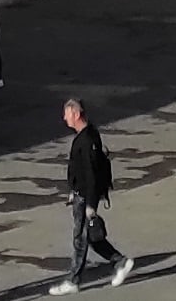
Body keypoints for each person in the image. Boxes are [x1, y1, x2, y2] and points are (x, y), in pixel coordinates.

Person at [50, 98, 131, 292]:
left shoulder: (86, 141)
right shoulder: (88, 135)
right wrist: (73, 190)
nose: (64, 118)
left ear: (76, 114)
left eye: (67, 114)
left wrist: (90, 204)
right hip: (81, 194)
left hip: (85, 197)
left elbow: (91, 174)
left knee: (80, 239)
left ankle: (73, 280)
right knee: (92, 238)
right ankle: (120, 261)